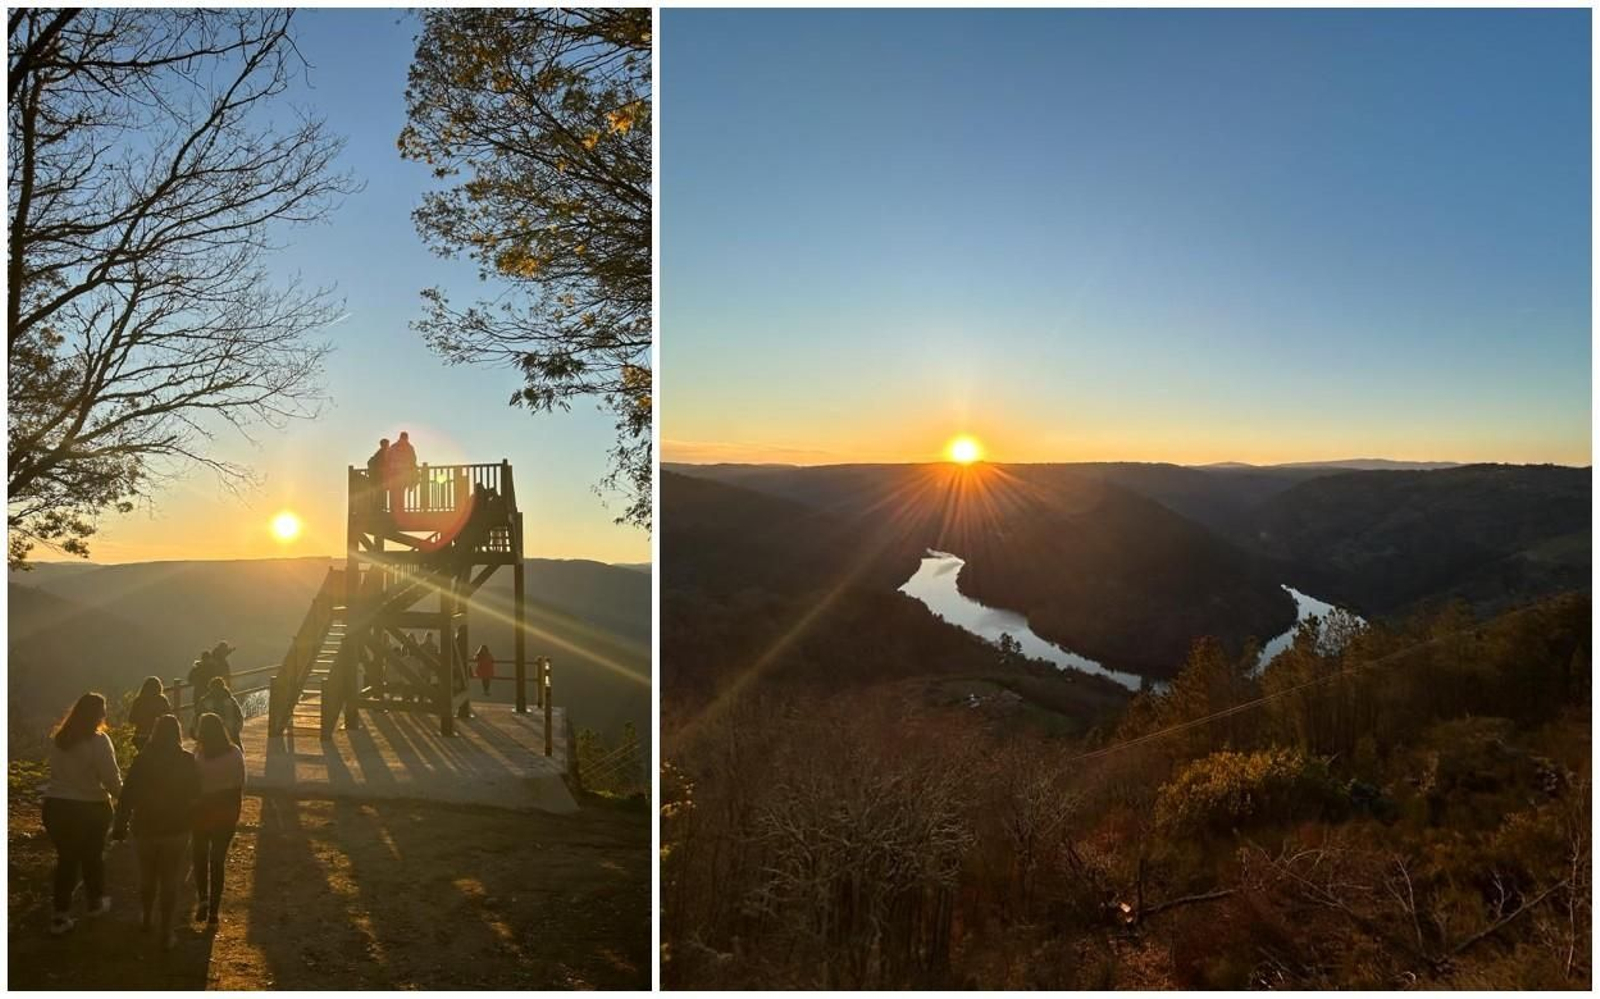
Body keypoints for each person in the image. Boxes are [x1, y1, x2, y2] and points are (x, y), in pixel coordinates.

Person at [112, 714, 199, 950]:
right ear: (177, 734)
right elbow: (196, 795)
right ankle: (167, 930)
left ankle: (147, 916)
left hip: (145, 826)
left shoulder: (142, 760)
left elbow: (127, 795)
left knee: (147, 875)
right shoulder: (187, 760)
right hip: (177, 828)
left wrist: (119, 826)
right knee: (170, 879)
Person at [41, 693, 123, 935]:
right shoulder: (98, 741)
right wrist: (125, 799)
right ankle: (95, 902)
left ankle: (60, 914)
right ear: (98, 714)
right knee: (92, 856)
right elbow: (110, 778)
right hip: (90, 807)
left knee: (66, 859)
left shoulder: (60, 739)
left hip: (56, 806)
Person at [191, 713, 245, 928]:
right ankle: (214, 912)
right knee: (217, 861)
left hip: (202, 811)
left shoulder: (198, 756)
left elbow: (192, 785)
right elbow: (240, 783)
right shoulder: (234, 753)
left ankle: (203, 897)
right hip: (226, 811)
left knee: (199, 857)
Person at [193, 677, 244, 744]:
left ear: (210, 688)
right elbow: (239, 716)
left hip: (210, 735)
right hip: (230, 734)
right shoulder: (230, 700)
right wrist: (236, 730)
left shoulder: (205, 701)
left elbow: (197, 717)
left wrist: (197, 733)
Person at [127, 678, 171, 752]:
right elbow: (169, 717)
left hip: (140, 736)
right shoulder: (161, 700)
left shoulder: (138, 701)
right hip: (158, 736)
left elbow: (131, 719)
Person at [387, 431, 419, 517]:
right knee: (401, 492)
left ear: (400, 437)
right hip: (404, 473)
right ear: (407, 438)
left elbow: (387, 458)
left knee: (394, 492)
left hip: (393, 472)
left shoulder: (393, 446)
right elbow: (413, 459)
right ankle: (401, 510)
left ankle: (393, 510)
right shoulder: (409, 447)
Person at [366, 438, 390, 515]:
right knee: (381, 493)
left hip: (377, 477)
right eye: (387, 444)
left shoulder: (378, 453)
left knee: (379, 493)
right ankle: (381, 508)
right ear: (385, 444)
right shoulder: (383, 453)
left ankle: (379, 508)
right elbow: (384, 463)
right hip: (380, 477)